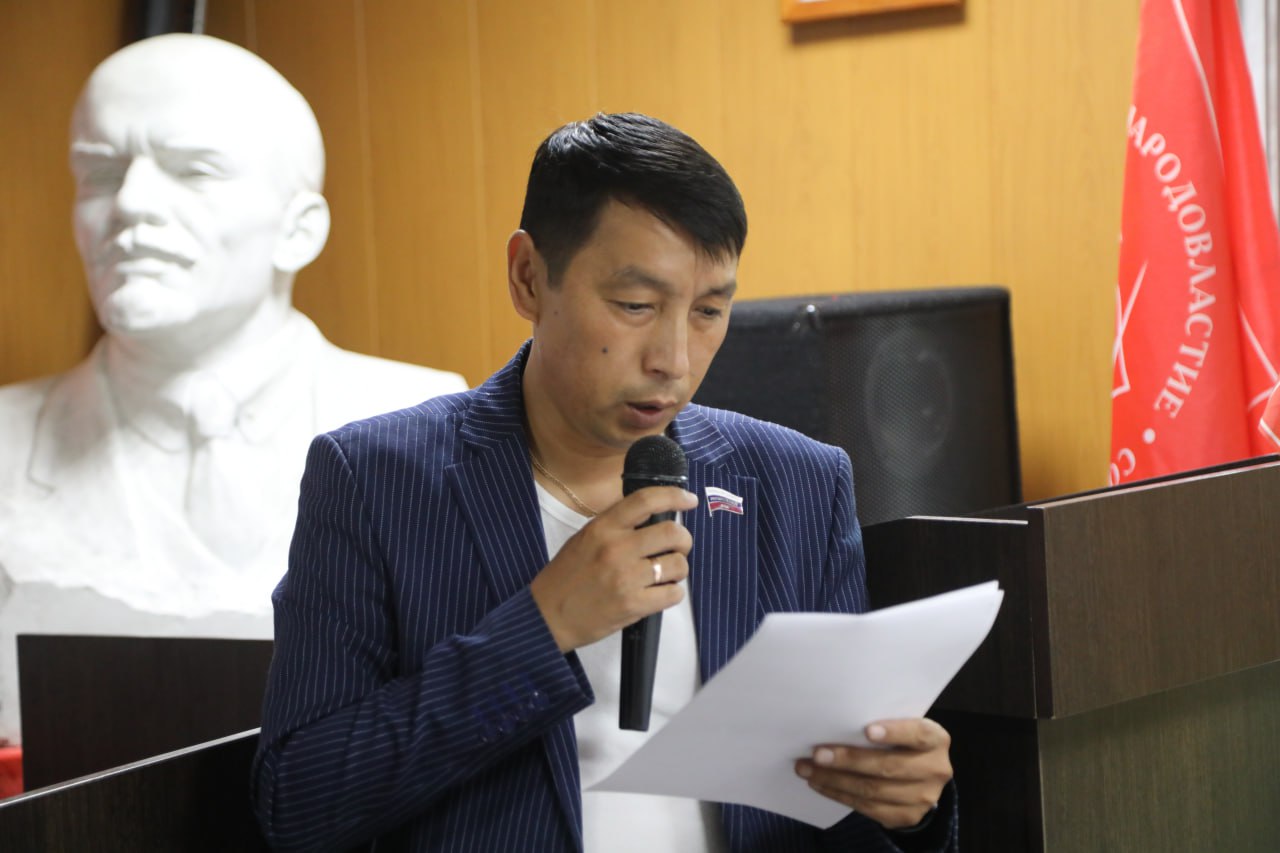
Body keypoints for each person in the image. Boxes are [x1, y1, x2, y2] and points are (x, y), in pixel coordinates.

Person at [253, 112, 956, 851]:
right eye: (636, 306)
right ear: (529, 277)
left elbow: (840, 807)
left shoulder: (796, 484)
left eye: (709, 311)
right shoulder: (373, 479)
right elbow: (297, 804)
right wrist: (541, 627)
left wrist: (907, 808)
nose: (673, 359)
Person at [0, 34, 466, 747]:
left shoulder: (424, 426)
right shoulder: (9, 440)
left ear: (298, 229)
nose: (129, 203)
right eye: (100, 172)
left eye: (193, 170)